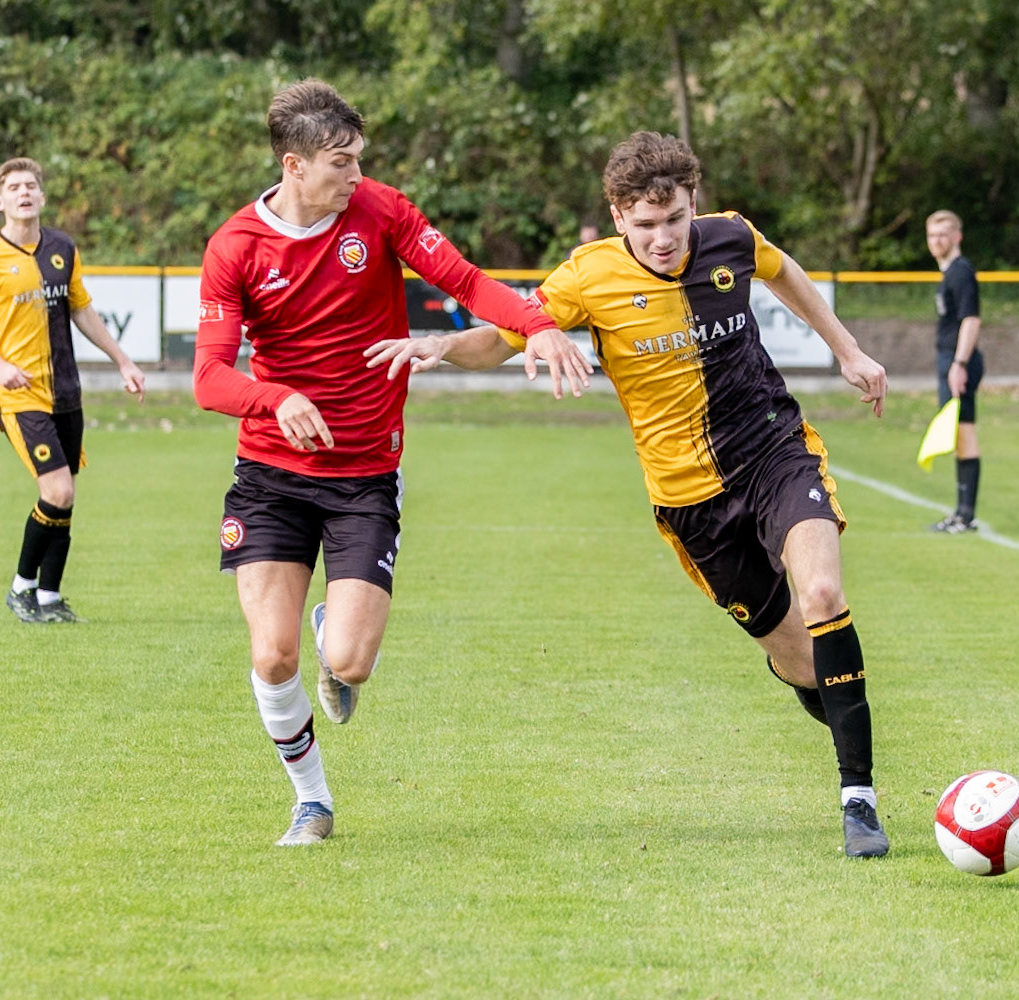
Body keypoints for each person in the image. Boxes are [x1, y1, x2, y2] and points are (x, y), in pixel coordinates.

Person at [365, 131, 892, 858]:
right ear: (618, 218)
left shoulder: (730, 239)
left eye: (674, 220)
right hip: (688, 503)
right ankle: (836, 698)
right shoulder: (588, 277)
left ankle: (858, 797)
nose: (664, 238)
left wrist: (848, 348)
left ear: (692, 205)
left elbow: (786, 272)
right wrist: (442, 346)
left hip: (774, 451)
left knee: (824, 592)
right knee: (804, 661)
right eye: (644, 225)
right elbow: (507, 335)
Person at [192, 80, 588, 848]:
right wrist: (275, 398)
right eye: (341, 162)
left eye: (359, 159)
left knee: (349, 660)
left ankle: (332, 630)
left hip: (366, 472)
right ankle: (312, 801)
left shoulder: (381, 211)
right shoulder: (236, 246)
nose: (355, 176)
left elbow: (467, 283)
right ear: (294, 164)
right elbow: (210, 377)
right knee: (271, 656)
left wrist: (536, 326)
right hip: (271, 475)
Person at [0, 156, 146, 625]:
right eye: (14, 187)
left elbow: (82, 310)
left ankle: (51, 597)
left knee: (67, 494)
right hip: (19, 397)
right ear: (0, 201)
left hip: (66, 391)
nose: (24, 192)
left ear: (42, 196)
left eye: (31, 185)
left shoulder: (62, 247)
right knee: (56, 489)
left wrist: (123, 360)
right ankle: (22, 588)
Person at [924, 209, 982, 533]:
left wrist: (959, 364)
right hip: (950, 359)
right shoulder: (949, 273)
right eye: (932, 235)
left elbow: (971, 320)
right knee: (960, 433)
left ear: (957, 236)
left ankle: (965, 515)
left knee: (965, 432)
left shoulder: (961, 272)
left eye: (944, 234)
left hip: (958, 361)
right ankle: (962, 513)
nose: (937, 241)